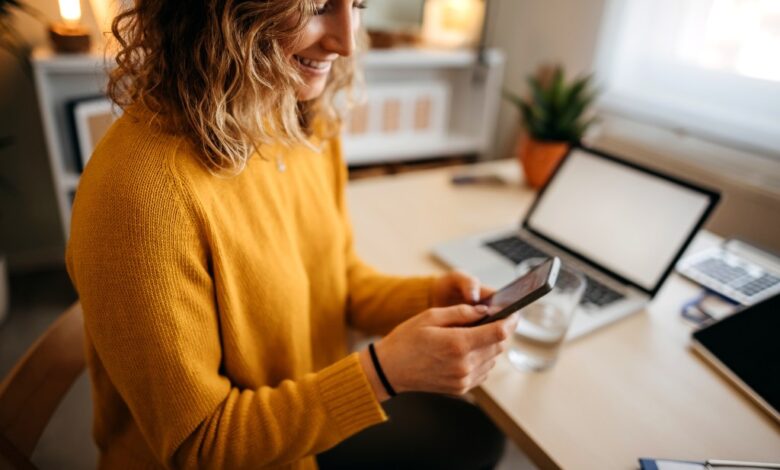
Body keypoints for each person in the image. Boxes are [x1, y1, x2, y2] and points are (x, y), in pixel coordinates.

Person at [66, 0, 516, 468]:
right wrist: (383, 371)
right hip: (246, 450)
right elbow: (200, 446)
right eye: (318, 6)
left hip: (306, 420)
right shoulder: (139, 195)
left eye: (358, 3)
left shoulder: (300, 121)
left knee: (476, 437)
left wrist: (428, 300)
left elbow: (335, 281)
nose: (345, 41)